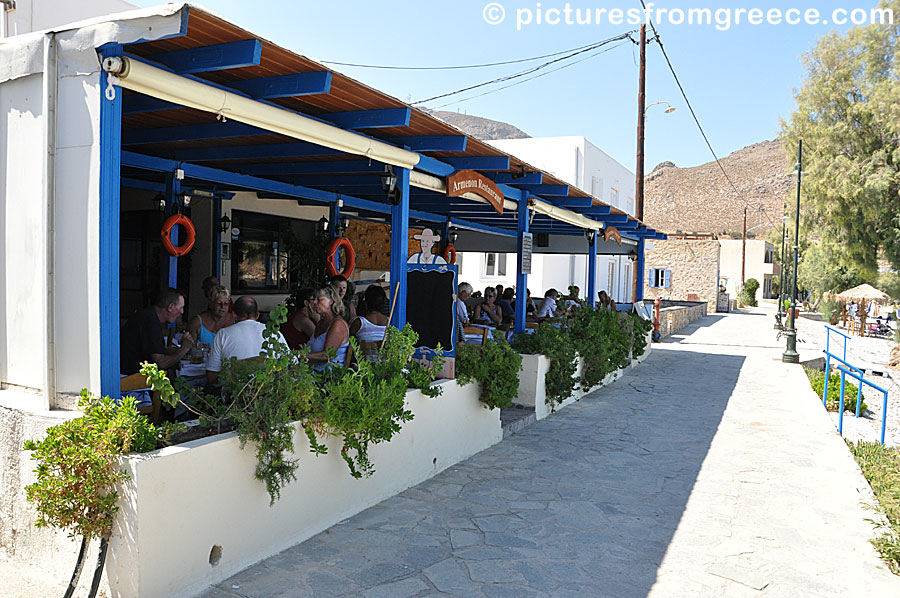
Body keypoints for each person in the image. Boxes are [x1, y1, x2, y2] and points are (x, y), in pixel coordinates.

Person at [206, 297, 287, 383]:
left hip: (234, 394)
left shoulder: (223, 334)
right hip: (269, 394)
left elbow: (211, 375)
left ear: (233, 314)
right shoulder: (273, 333)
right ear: (257, 315)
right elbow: (291, 364)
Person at [120, 288, 194, 375]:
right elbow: (161, 363)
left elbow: (153, 351)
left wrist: (177, 350)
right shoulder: (150, 321)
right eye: (181, 308)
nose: (182, 312)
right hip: (131, 380)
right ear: (170, 307)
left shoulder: (149, 316)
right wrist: (184, 349)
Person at [307, 286, 350, 370]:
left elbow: (327, 355)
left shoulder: (338, 324)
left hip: (327, 378)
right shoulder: (321, 323)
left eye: (319, 299)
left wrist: (299, 356)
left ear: (331, 301)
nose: (315, 302)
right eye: (314, 299)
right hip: (311, 373)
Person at [350, 286, 389, 360]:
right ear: (384, 302)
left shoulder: (359, 323)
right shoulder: (390, 322)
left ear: (366, 302)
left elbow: (349, 345)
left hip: (363, 369)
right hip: (385, 369)